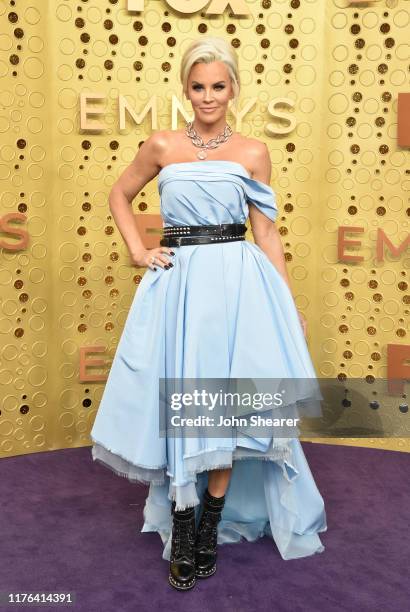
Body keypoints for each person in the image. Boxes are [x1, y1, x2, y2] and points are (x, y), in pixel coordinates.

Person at [90, 36, 327, 591]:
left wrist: (287, 304)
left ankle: (208, 526)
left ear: (234, 88)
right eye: (198, 87)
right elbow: (118, 195)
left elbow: (266, 231)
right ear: (185, 88)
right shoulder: (161, 144)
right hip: (178, 286)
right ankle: (180, 523)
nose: (208, 96)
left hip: (238, 286)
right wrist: (137, 250)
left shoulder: (252, 152)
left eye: (218, 86)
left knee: (227, 406)